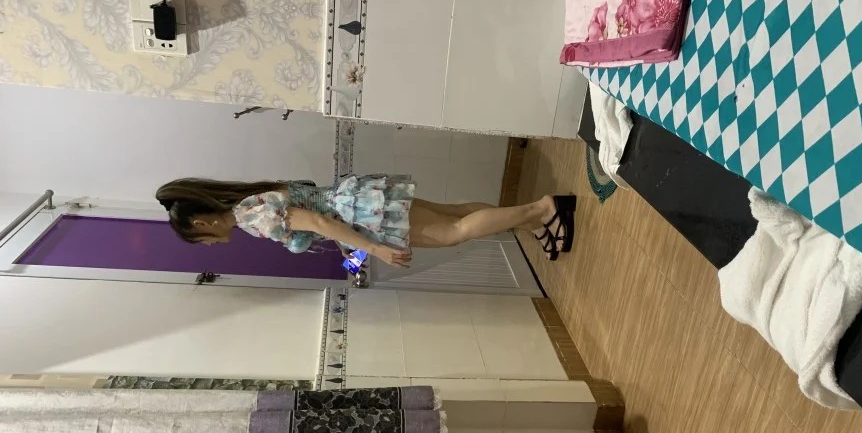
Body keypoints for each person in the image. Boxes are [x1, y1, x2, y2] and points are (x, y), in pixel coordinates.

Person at [155, 175, 576, 267]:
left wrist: (374, 249)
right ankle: (531, 221)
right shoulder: (251, 200)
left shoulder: (253, 218)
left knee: (453, 232)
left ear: (203, 224)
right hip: (359, 202)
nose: (209, 246)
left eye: (201, 240)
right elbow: (319, 213)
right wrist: (351, 248)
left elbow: (317, 223)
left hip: (367, 218)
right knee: (455, 212)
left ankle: (543, 209)